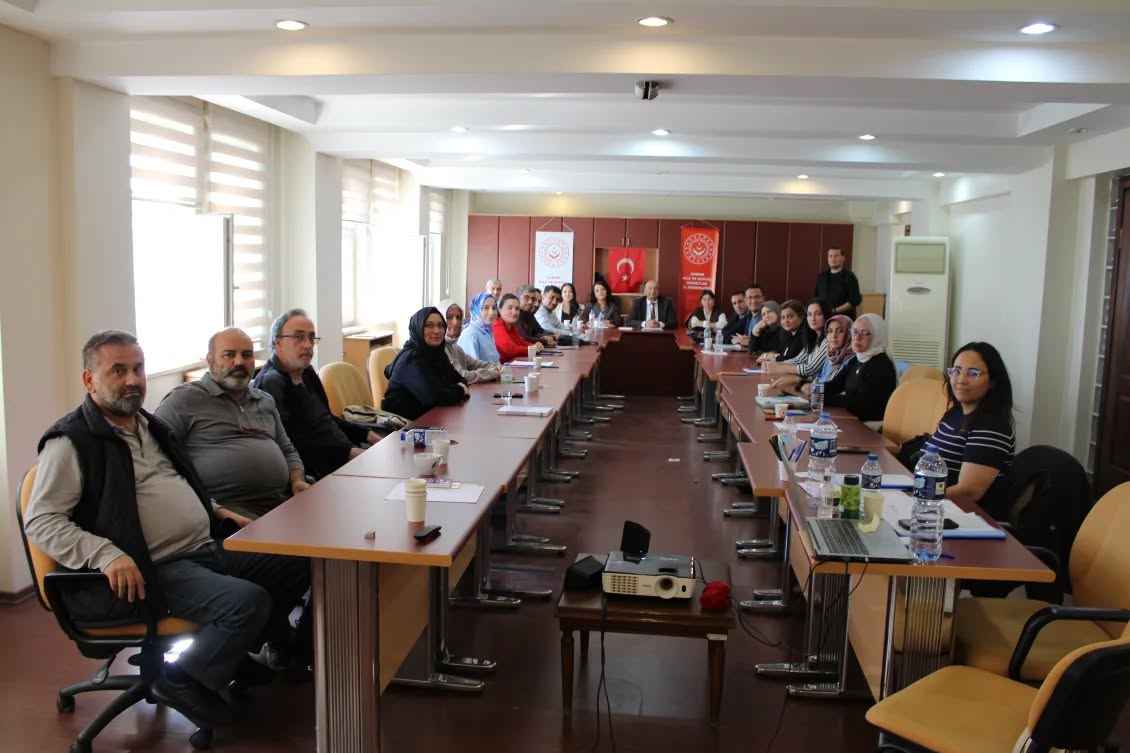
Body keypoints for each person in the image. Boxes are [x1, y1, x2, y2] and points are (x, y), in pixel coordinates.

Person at [24, 330, 310, 728]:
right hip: (152, 567)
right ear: (89, 380)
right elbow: (41, 521)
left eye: (138, 369)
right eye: (118, 370)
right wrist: (106, 555)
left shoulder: (151, 427)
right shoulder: (72, 442)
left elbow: (177, 484)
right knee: (246, 602)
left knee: (297, 560)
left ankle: (232, 653)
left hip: (203, 547)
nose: (132, 380)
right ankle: (180, 678)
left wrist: (218, 511)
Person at [155, 327, 308, 520]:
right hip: (229, 510)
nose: (239, 362)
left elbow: (287, 449)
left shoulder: (264, 400)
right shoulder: (184, 400)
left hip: (282, 500)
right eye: (229, 355)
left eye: (246, 355)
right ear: (210, 360)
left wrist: (297, 480)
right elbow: (158, 462)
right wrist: (215, 509)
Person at [253, 309, 379, 479]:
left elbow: (326, 418)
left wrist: (365, 434)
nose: (307, 345)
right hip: (316, 472)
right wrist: (347, 453)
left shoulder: (306, 372)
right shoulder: (271, 382)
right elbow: (290, 442)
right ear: (278, 343)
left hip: (343, 455)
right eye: (299, 337)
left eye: (311, 338)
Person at [929, 342, 1016, 510]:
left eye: (973, 373)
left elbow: (968, 492)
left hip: (959, 514)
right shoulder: (955, 414)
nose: (961, 380)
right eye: (956, 371)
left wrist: (918, 497)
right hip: (933, 504)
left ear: (992, 382)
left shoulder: (992, 427)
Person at [382, 307, 471, 420]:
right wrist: (460, 390)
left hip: (430, 418)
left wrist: (450, 390)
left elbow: (459, 379)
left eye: (440, 325)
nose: (437, 331)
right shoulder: (410, 359)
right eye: (429, 325)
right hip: (402, 425)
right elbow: (433, 397)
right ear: (418, 328)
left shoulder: (437, 353)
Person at [822, 313, 898, 422]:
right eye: (854, 331)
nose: (857, 337)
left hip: (871, 425)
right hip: (853, 418)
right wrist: (815, 388)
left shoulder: (881, 365)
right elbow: (836, 385)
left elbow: (860, 403)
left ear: (876, 336)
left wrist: (823, 398)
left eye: (864, 333)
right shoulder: (856, 359)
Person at [437, 298, 501, 383]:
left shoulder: (455, 347)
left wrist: (495, 367)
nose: (455, 322)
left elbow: (477, 364)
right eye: (449, 317)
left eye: (458, 317)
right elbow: (461, 376)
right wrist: (493, 373)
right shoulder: (439, 347)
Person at [766, 298, 831, 381]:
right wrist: (772, 365)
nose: (813, 318)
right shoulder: (813, 337)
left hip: (817, 386)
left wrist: (779, 367)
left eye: (818, 314)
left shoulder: (829, 339)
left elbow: (810, 369)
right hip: (807, 383)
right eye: (809, 314)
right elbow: (798, 360)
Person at [814, 246, 862, 319]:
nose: (833, 259)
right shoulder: (821, 277)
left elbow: (855, 301)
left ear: (843, 258)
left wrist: (834, 311)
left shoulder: (850, 277)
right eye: (830, 256)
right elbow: (816, 298)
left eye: (836, 256)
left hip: (844, 319)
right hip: (824, 317)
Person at [457, 292, 502, 364]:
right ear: (476, 310)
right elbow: (472, 368)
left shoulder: (487, 332)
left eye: (494, 308)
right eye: (486, 308)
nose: (492, 312)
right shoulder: (470, 335)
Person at [757, 299, 807, 364]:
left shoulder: (804, 335)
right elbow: (780, 353)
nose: (786, 321)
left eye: (790, 317)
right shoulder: (788, 334)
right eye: (783, 318)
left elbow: (789, 360)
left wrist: (768, 356)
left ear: (801, 317)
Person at [494, 293, 539, 362]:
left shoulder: (512, 326)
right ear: (500, 310)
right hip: (500, 367)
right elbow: (510, 349)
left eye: (517, 309)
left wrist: (535, 346)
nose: (514, 312)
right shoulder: (497, 325)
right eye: (510, 308)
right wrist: (532, 349)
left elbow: (522, 342)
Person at [730, 284, 766, 348]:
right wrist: (734, 340)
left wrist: (750, 341)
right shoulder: (748, 317)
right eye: (750, 297)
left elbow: (774, 342)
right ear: (745, 301)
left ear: (763, 299)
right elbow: (727, 332)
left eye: (757, 297)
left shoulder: (768, 316)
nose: (753, 301)